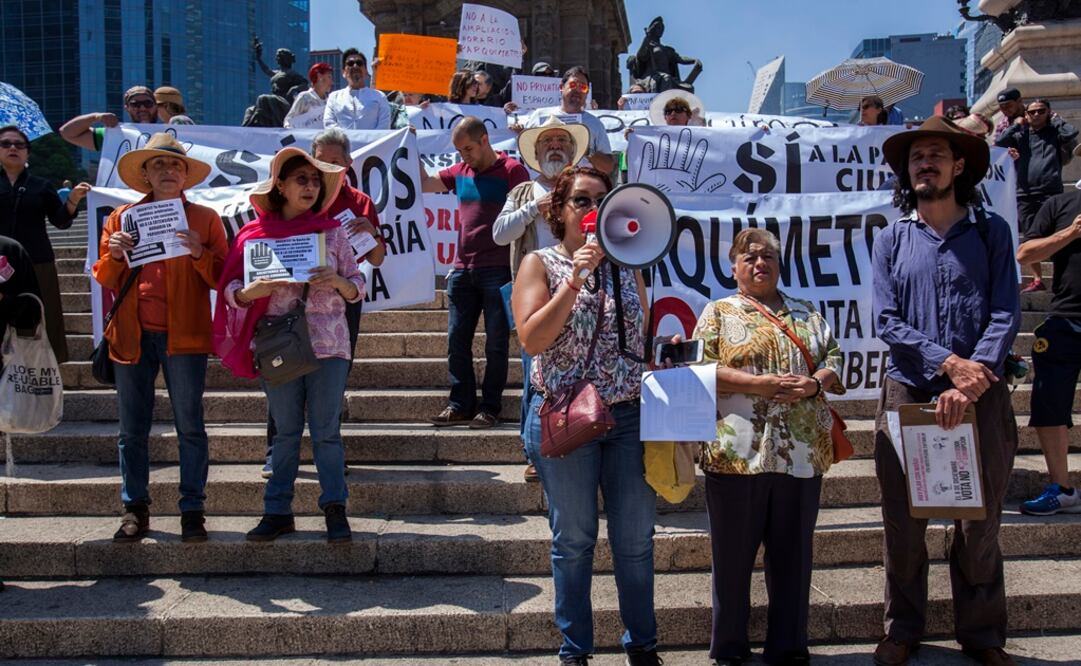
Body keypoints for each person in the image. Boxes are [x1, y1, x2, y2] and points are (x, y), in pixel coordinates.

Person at [872, 116, 1021, 666]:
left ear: (960, 167)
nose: (924, 164)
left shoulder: (991, 233)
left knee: (978, 524)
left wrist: (973, 374)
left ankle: (982, 634)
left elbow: (1006, 310)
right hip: (908, 393)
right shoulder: (891, 238)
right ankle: (902, 628)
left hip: (981, 397)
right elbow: (887, 320)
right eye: (916, 158)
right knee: (903, 525)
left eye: (935, 154)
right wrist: (949, 365)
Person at [511, 166, 660, 666]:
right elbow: (532, 340)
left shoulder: (630, 264)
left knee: (636, 538)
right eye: (580, 200)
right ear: (559, 209)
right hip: (567, 415)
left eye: (602, 199)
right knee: (574, 538)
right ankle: (575, 649)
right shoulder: (539, 263)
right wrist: (573, 282)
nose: (592, 208)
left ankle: (641, 644)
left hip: (628, 416)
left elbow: (637, 341)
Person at [690, 227, 843, 665]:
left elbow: (833, 356)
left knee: (793, 559)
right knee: (733, 562)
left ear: (779, 264)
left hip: (800, 455)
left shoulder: (806, 312)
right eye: (749, 257)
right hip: (737, 456)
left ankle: (789, 648)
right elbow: (700, 366)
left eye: (768, 257)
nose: (760, 264)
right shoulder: (719, 311)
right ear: (734, 267)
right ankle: (731, 649)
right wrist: (759, 384)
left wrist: (815, 383)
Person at [215, 148, 364, 543]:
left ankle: (335, 509)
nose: (311, 187)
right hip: (279, 342)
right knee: (284, 432)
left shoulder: (333, 232)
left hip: (329, 343)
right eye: (302, 179)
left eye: (316, 181)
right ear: (280, 185)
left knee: (326, 431)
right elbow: (228, 290)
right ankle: (277, 510)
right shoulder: (254, 236)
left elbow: (358, 286)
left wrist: (337, 281)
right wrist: (251, 292)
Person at [92, 133, 228, 543]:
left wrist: (198, 254)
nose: (168, 171)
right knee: (131, 429)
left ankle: (193, 510)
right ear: (146, 176)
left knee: (190, 426)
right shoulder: (121, 219)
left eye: (175, 166)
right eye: (158, 166)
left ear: (186, 175)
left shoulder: (205, 219)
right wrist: (114, 255)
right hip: (132, 336)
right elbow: (104, 277)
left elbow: (225, 277)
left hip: (185, 336)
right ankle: (135, 508)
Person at [260, 128, 386, 479]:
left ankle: (328, 449)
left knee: (333, 380)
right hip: (288, 304)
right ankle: (275, 452)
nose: (327, 169)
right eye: (320, 162)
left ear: (348, 163)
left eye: (335, 162)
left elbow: (376, 259)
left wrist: (371, 233)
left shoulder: (360, 202)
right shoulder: (296, 199)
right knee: (281, 368)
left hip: (340, 303)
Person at [493, 116, 588, 481]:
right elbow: (500, 234)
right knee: (535, 373)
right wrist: (535, 207)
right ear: (535, 152)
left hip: (583, 290)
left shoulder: (587, 189)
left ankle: (577, 434)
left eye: (561, 141)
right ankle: (533, 449)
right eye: (547, 141)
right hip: (536, 294)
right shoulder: (520, 193)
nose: (554, 146)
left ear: (572, 149)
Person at [421, 117, 530, 428]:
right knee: (457, 339)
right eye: (458, 150)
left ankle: (490, 406)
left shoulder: (513, 171)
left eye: (467, 148)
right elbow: (426, 182)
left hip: (499, 268)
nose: (463, 156)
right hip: (462, 267)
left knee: (496, 342)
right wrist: (407, 145)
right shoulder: (460, 171)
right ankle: (460, 403)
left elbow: (524, 215)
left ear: (484, 140)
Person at [1014, 181, 1081, 515]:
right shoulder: (1060, 204)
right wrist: (1069, 233)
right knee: (1049, 404)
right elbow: (1025, 254)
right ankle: (1062, 488)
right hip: (1065, 319)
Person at [0, 125, 90, 363]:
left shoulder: (41, 185)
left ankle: (42, 369)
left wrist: (72, 201)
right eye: (6, 143)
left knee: (40, 316)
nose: (12, 148)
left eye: (19, 145)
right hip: (0, 262)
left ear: (27, 153)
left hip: (37, 262)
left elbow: (60, 220)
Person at [995, 98, 1079, 293]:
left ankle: (1061, 272)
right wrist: (1016, 125)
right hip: (1025, 192)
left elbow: (1072, 134)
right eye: (1031, 112)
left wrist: (1057, 121)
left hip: (1051, 191)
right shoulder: (1021, 134)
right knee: (1031, 236)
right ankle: (1037, 278)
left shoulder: (1055, 132)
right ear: (1026, 114)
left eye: (1041, 111)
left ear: (1048, 112)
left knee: (1059, 235)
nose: (1036, 115)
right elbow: (1000, 142)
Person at [509, 66, 615, 174]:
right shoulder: (539, 116)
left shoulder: (595, 124)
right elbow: (526, 154)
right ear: (561, 87)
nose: (577, 90)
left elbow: (608, 167)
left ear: (587, 92)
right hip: (546, 186)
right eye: (573, 85)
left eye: (583, 87)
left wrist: (587, 150)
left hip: (579, 188)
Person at [59, 85, 158, 152]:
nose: (142, 108)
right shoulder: (114, 134)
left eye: (147, 103)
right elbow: (66, 132)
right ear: (127, 108)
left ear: (155, 106)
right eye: (135, 104)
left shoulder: (170, 133)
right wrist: (96, 117)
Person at [323, 48, 392, 130]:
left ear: (366, 72)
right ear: (343, 73)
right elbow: (329, 124)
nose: (355, 66)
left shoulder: (379, 96)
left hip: (374, 142)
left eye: (359, 63)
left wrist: (369, 141)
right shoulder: (334, 97)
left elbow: (384, 126)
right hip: (341, 142)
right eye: (350, 63)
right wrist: (346, 140)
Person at [284, 63, 335, 129]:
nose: (332, 82)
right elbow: (289, 121)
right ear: (320, 77)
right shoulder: (305, 98)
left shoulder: (329, 102)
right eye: (329, 77)